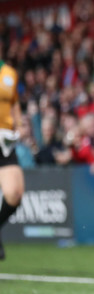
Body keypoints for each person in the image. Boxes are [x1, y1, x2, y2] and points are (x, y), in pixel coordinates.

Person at [0, 59, 24, 260]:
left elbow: (14, 102)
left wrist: (20, 124)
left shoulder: (9, 72)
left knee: (14, 194)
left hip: (4, 141)